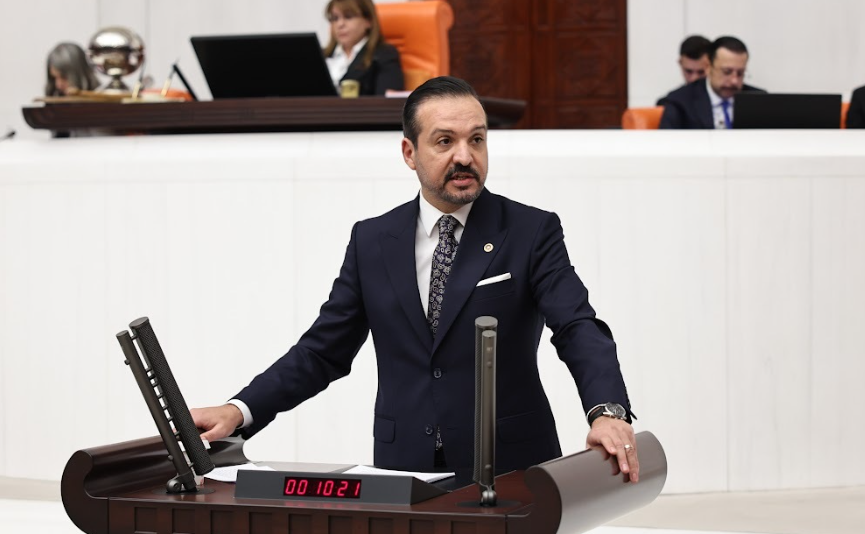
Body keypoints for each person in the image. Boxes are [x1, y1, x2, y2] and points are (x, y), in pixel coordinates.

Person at [192, 76, 639, 481]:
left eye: (477, 140)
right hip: (403, 468)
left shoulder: (530, 231)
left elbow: (577, 326)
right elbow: (322, 351)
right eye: (445, 141)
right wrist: (239, 410)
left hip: (511, 466)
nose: (464, 156)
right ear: (410, 153)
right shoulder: (372, 240)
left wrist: (607, 411)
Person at [659, 36, 766, 129]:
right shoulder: (679, 102)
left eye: (740, 73)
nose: (734, 81)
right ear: (708, 67)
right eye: (727, 72)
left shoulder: (760, 102)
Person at [322, 0, 403, 96]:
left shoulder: (384, 54)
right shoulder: (321, 55)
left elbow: (387, 101)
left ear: (368, 21)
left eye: (348, 17)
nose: (340, 24)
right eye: (335, 19)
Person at [656, 35, 711, 105]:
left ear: (713, 66)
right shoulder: (670, 103)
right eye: (688, 71)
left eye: (701, 72)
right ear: (680, 63)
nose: (694, 78)